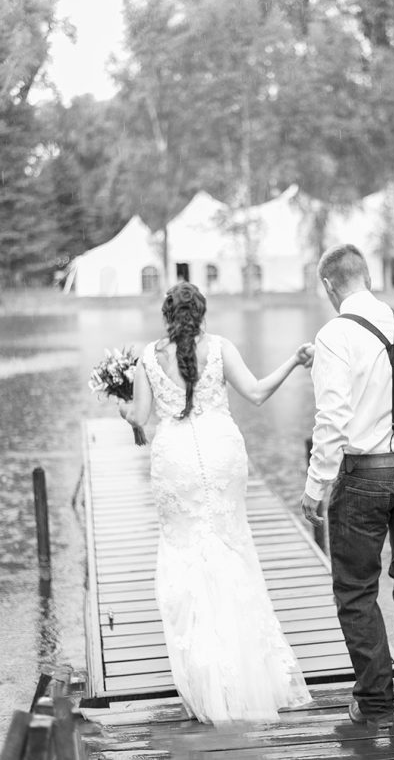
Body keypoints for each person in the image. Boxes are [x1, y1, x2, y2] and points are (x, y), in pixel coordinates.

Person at [117, 281, 314, 724]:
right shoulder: (221, 348)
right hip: (222, 455)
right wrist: (295, 361)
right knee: (230, 548)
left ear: (167, 317)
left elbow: (141, 418)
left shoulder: (148, 357)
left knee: (185, 556)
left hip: (176, 462)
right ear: (202, 314)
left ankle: (205, 676)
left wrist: (122, 408)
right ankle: (247, 671)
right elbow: (259, 392)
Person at [299, 244, 394, 726]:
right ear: (366, 275)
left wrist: (315, 486)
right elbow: (391, 376)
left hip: (365, 477)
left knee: (356, 588)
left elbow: (334, 419)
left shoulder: (334, 334)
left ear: (329, 285)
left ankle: (376, 698)